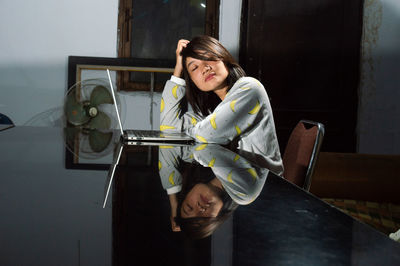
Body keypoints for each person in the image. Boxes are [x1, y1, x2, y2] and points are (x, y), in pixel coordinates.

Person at [160, 35, 283, 176]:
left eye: (208, 57)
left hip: (268, 189)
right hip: (243, 188)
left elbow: (207, 134)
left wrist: (193, 130)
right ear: (193, 82)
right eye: (194, 68)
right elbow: (168, 128)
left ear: (223, 57)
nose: (205, 68)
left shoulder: (249, 88)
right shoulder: (213, 110)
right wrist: (178, 70)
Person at [159, 143, 271, 239]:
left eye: (189, 207)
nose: (200, 208)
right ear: (217, 218)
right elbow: (206, 149)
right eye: (203, 218)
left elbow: (166, 145)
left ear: (187, 192)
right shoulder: (244, 194)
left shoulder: (204, 163)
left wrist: (174, 203)